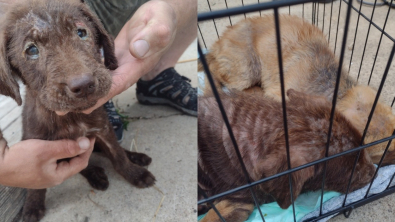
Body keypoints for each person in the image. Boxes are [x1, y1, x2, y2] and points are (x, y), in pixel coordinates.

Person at [0, 0, 197, 188]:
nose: (79, 76)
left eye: (80, 32)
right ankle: (85, 170)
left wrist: (170, 8)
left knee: (102, 128)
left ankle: (157, 78)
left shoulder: (79, 10)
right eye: (32, 50)